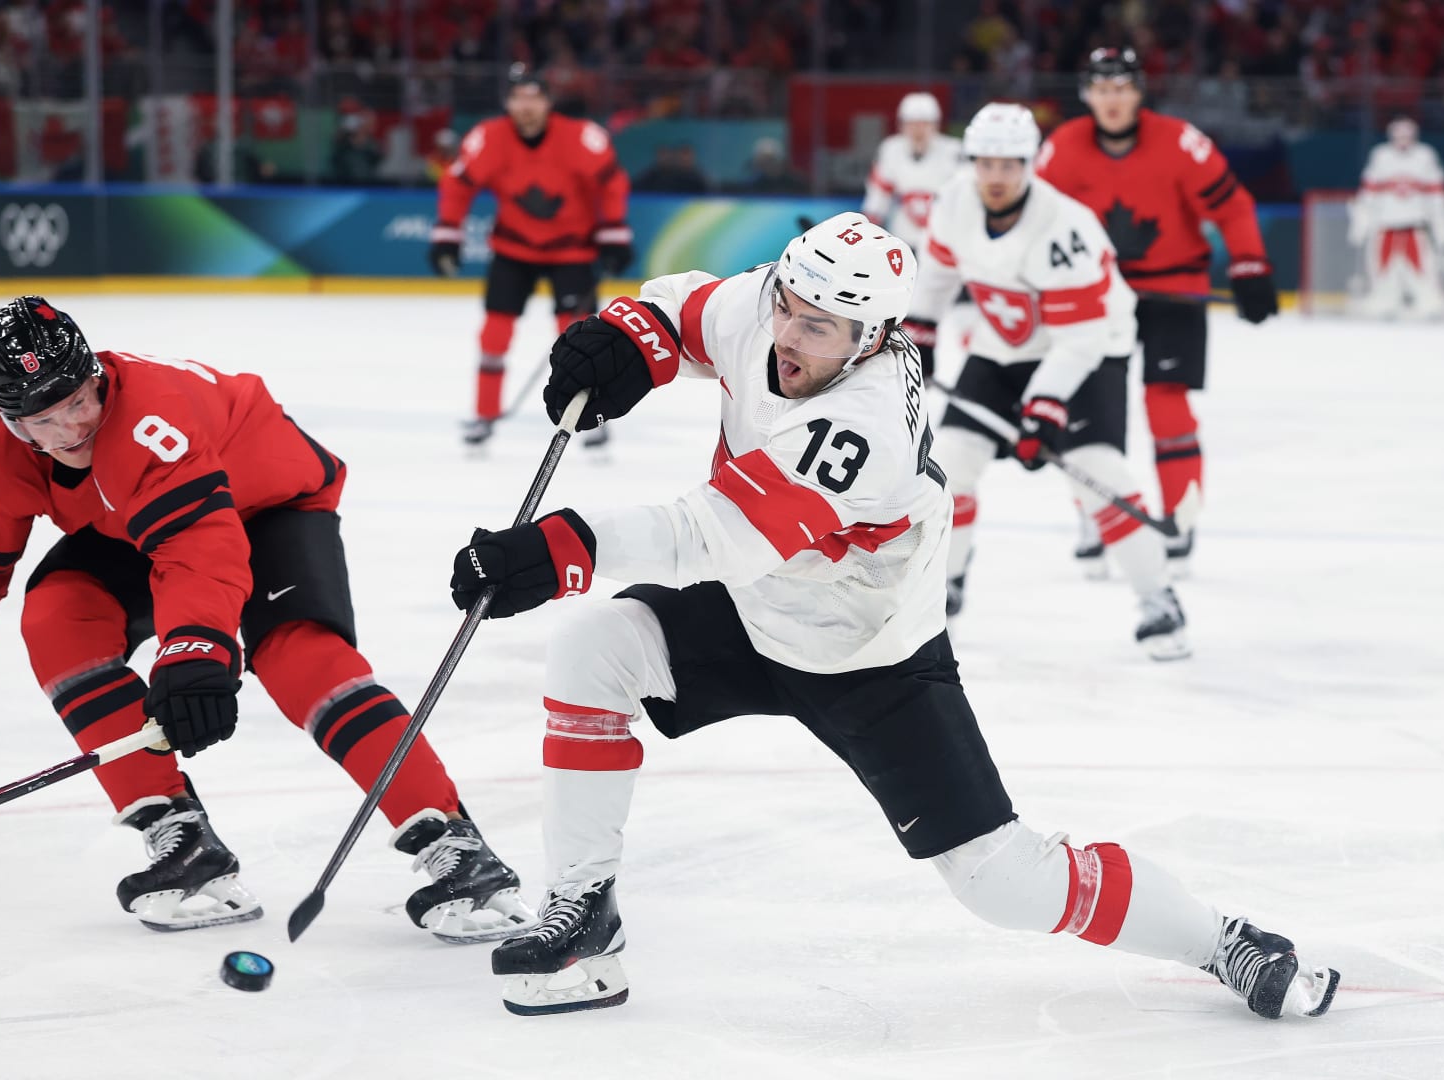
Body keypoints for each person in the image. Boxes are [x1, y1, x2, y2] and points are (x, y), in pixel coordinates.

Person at [443, 215, 1339, 1019]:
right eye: (788, 307)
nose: (787, 335)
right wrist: (627, 339)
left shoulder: (862, 426)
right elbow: (686, 310)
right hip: (757, 606)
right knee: (594, 647)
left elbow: (710, 536)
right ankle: (584, 914)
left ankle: (1220, 939)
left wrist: (556, 550)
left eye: (817, 328)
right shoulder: (780, 300)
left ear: (870, 339)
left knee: (1002, 882)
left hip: (868, 653)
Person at [0, 296, 531, 940]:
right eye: (43, 421)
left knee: (301, 657)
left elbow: (198, 547)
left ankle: (452, 841)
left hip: (269, 505)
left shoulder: (151, 416)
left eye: (79, 401)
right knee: (60, 616)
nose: (70, 430)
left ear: (96, 376)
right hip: (139, 524)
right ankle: (178, 835)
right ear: (10, 421)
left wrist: (196, 650)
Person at [902, 106, 1187, 657]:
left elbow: (1080, 340)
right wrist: (923, 339)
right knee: (950, 466)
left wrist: (1044, 409)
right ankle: (945, 590)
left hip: (1092, 348)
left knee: (1096, 471)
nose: (997, 176)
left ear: (1029, 163)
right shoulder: (954, 203)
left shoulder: (1066, 227)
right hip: (1001, 348)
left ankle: (1159, 599)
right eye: (986, 163)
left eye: (1010, 164)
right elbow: (935, 279)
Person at [1037, 47, 1279, 579]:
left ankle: (1179, 519)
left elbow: (1233, 205)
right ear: (1087, 95)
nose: (1113, 100)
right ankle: (1095, 515)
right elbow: (1036, 223)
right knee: (1087, 406)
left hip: (1175, 292)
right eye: (1102, 89)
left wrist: (1250, 266)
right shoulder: (1062, 149)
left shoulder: (1180, 142)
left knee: (1166, 403)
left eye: (1122, 88)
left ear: (1139, 92)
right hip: (1097, 296)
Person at [429, 64, 633, 448]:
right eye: (518, 97)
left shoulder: (580, 137)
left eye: (534, 97)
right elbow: (458, 183)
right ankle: (485, 414)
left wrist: (614, 233)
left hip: (572, 249)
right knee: (494, 333)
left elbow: (612, 183)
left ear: (548, 102)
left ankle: (591, 415)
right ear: (507, 102)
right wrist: (447, 235)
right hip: (513, 248)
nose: (526, 106)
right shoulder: (488, 137)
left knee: (581, 338)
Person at [1348, 116, 1444, 319]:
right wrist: (1360, 224)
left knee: (1424, 270)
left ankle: (1430, 305)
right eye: (1399, 136)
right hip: (1385, 228)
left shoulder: (1425, 156)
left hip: (1414, 228)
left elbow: (1437, 197)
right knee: (1382, 271)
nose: (1403, 141)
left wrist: (1443, 228)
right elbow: (1367, 195)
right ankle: (1383, 304)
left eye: (1407, 136)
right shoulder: (1381, 156)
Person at [862, 92, 964, 269]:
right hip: (903, 236)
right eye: (912, 124)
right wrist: (868, 230)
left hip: (943, 238)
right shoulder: (891, 149)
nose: (918, 131)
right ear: (902, 125)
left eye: (924, 124)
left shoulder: (953, 151)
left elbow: (965, 196)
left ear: (935, 125)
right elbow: (878, 195)